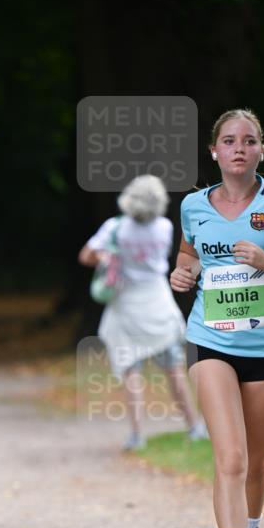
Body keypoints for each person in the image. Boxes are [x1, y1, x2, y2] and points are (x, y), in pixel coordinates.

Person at [170, 108, 264, 528]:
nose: (239, 148)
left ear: (260, 151)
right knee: (230, 457)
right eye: (229, 140)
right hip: (210, 340)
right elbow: (188, 256)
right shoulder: (193, 205)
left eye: (249, 140)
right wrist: (181, 273)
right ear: (214, 151)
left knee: (257, 463)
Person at [79, 174, 207, 450]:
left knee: (131, 371)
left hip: (126, 305)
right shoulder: (164, 227)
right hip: (158, 303)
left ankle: (137, 434)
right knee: (174, 370)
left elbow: (86, 255)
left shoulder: (115, 227)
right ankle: (194, 426)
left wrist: (105, 257)